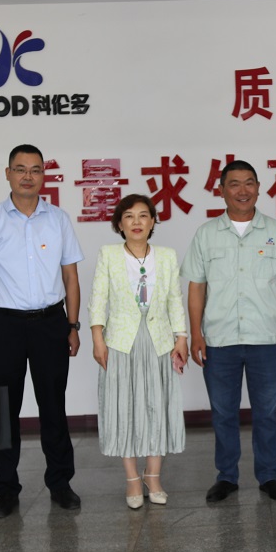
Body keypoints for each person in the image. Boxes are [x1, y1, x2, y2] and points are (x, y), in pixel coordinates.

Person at [0, 144, 84, 518]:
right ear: (8, 174)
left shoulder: (58, 219)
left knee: (53, 407)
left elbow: (71, 277)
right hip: (4, 326)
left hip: (51, 323)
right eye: (20, 169)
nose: (28, 176)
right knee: (5, 410)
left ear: (44, 175)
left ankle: (60, 483)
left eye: (35, 169)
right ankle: (6, 490)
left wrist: (72, 325)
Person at [180, 160, 276, 503]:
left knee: (266, 412)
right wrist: (195, 333)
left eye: (249, 183)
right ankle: (226, 476)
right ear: (221, 190)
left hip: (265, 337)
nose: (242, 190)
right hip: (220, 339)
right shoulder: (206, 234)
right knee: (223, 413)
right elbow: (196, 287)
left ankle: (269, 475)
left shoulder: (275, 231)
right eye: (234, 184)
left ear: (259, 188)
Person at [88, 194, 188, 510]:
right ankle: (132, 478)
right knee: (124, 407)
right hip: (120, 341)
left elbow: (174, 299)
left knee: (158, 405)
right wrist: (97, 338)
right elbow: (98, 298)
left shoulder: (167, 256)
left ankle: (153, 476)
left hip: (159, 339)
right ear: (119, 224)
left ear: (153, 222)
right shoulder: (108, 254)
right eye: (129, 216)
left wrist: (181, 337)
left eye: (143, 215)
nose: (136, 222)